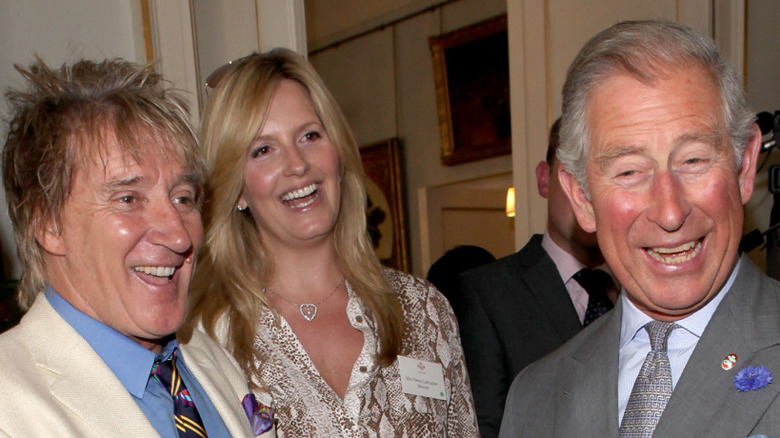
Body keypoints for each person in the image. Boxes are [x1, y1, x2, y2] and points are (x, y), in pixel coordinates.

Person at [500, 19, 780, 437]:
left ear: (744, 166)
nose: (669, 212)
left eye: (694, 160)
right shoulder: (535, 396)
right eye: (629, 171)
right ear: (581, 198)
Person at [188, 48, 478, 437]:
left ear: (338, 151)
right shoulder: (205, 339)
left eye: (309, 135)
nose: (296, 164)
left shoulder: (423, 311)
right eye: (263, 150)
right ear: (236, 190)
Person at [0, 58, 267, 437]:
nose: (179, 236)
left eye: (184, 198)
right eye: (128, 199)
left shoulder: (211, 361)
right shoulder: (9, 407)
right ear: (48, 222)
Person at [452, 117, 615, 437]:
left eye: (605, 178)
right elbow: (485, 428)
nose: (587, 196)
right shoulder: (486, 294)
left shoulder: (648, 288)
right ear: (545, 179)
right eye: (574, 177)